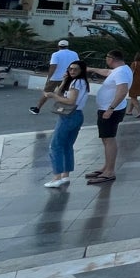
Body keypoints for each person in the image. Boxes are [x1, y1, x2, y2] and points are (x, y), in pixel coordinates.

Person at [84, 50, 132, 185]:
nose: (106, 60)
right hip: (108, 109)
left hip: (111, 110)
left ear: (111, 59)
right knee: (106, 138)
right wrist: (91, 69)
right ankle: (106, 167)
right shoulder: (121, 70)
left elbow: (122, 90)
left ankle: (109, 171)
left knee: (109, 139)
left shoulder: (121, 72)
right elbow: (106, 72)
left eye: (106, 58)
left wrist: (111, 108)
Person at [42, 60, 91, 188]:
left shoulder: (76, 83)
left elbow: (70, 101)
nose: (72, 71)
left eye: (75, 69)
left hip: (69, 115)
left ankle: (57, 177)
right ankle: (65, 175)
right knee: (67, 146)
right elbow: (61, 93)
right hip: (78, 115)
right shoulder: (82, 82)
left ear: (81, 70)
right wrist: (64, 81)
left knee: (56, 145)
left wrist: (53, 95)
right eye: (70, 69)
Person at [31, 39, 79, 114]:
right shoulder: (74, 54)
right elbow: (77, 65)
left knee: (47, 93)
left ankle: (37, 108)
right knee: (64, 94)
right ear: (67, 46)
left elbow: (53, 66)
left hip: (55, 77)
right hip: (68, 77)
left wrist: (49, 77)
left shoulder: (56, 54)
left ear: (58, 46)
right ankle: (64, 109)